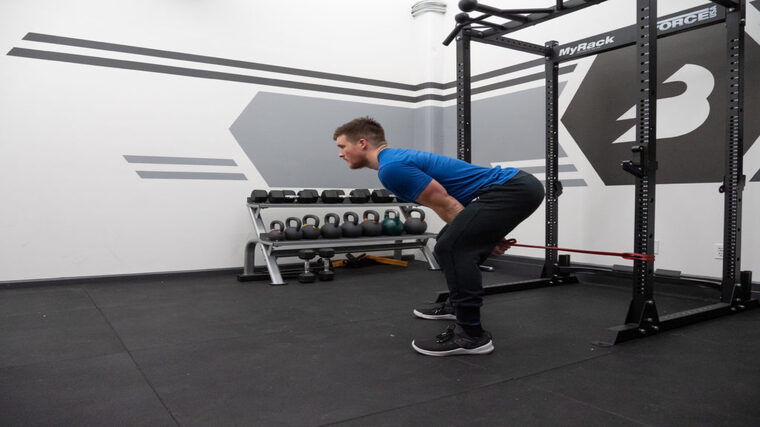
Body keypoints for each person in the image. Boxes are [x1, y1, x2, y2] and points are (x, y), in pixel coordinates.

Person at [333, 117, 544, 356]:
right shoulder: (394, 161)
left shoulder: (392, 168)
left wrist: (485, 238)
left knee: (452, 248)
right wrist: (483, 236)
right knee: (446, 244)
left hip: (510, 188)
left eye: (342, 146)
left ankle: (471, 335)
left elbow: (446, 203)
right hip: (509, 188)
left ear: (362, 143)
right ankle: (456, 306)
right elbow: (446, 206)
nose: (340, 153)